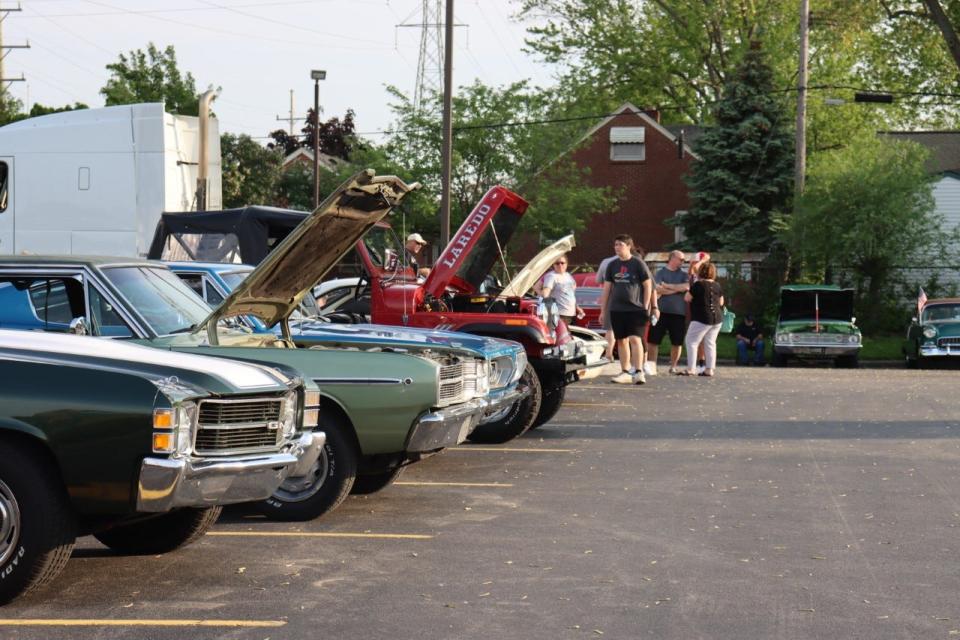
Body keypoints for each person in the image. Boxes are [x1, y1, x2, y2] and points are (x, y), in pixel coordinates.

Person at [598, 234, 653, 385]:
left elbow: (648, 285)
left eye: (620, 244)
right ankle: (625, 371)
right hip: (617, 309)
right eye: (615, 245)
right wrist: (603, 310)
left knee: (635, 339)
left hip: (635, 309)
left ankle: (639, 371)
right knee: (621, 341)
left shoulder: (637, 263)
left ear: (629, 246)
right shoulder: (612, 265)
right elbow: (607, 289)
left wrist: (646, 305)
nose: (617, 247)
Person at [647, 250, 688, 375]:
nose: (683, 262)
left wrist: (668, 286)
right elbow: (657, 289)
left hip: (678, 314)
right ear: (672, 258)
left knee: (677, 341)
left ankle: (673, 366)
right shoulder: (660, 273)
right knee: (653, 340)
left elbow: (686, 287)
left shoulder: (684, 274)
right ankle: (652, 365)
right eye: (681, 259)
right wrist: (676, 289)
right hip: (661, 312)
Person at [681, 262, 724, 377]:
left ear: (701, 272)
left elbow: (687, 298)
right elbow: (721, 302)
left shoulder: (698, 285)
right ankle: (709, 369)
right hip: (717, 318)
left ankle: (691, 368)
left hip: (701, 317)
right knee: (710, 343)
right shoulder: (717, 285)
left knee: (691, 341)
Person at [541, 253, 583, 326]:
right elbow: (546, 291)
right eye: (557, 263)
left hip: (571, 313)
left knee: (571, 336)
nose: (560, 265)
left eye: (562, 263)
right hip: (559, 314)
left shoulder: (568, 276)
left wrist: (577, 307)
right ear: (553, 265)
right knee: (561, 336)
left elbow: (571, 295)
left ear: (566, 264)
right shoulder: (551, 276)